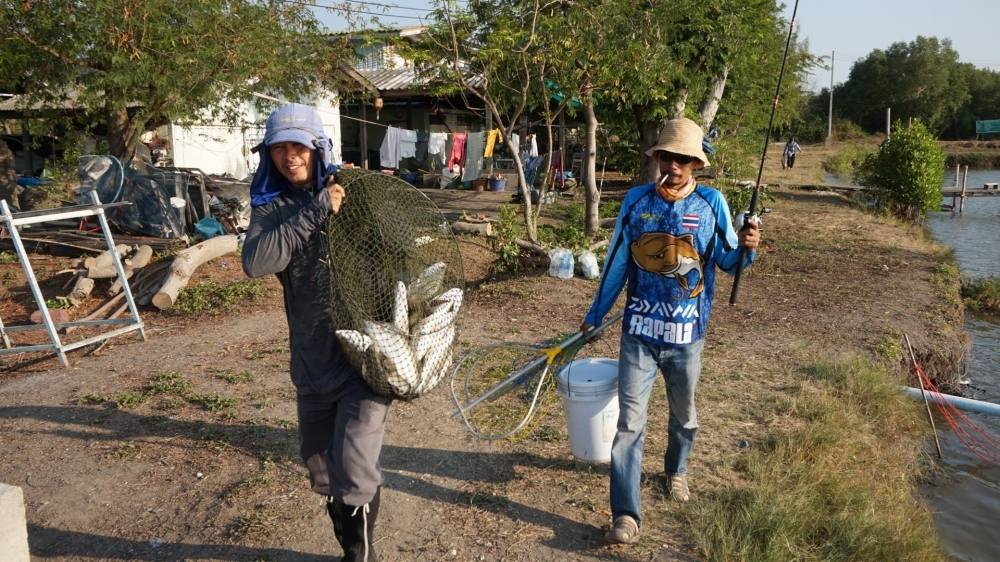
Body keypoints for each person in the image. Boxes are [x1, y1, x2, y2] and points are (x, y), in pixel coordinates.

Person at [580, 117, 760, 545]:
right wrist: (595, 312)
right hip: (638, 334)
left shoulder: (712, 204)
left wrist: (749, 250)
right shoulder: (637, 202)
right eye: (667, 156)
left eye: (683, 159)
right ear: (657, 158)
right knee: (629, 425)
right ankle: (626, 515)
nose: (674, 165)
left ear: (696, 164)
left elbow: (729, 262)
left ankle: (676, 471)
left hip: (687, 339)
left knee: (685, 417)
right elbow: (617, 263)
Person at [242, 103, 388, 562]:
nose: (290, 156)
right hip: (312, 362)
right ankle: (349, 544)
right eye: (280, 147)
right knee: (322, 468)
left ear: (316, 147)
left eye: (298, 145)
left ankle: (359, 557)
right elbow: (257, 262)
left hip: (365, 359)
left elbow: (397, 249)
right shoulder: (273, 209)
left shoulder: (354, 192)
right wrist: (315, 212)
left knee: (356, 469)